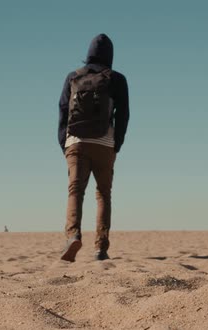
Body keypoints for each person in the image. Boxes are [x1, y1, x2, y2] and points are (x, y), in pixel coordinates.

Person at [58, 33, 129, 262]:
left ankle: (73, 236)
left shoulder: (73, 76)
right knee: (103, 195)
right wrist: (116, 144)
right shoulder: (116, 79)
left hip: (75, 142)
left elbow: (62, 110)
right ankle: (101, 248)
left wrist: (64, 142)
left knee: (75, 191)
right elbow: (124, 115)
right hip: (104, 144)